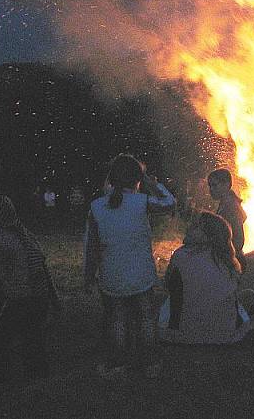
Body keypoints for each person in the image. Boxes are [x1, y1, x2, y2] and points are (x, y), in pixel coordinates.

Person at [83, 154, 175, 379]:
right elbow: (170, 202)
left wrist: (87, 277)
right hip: (141, 275)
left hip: (111, 276)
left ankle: (117, 365)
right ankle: (150, 363)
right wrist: (152, 182)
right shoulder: (142, 202)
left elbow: (91, 247)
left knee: (116, 320)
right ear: (138, 179)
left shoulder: (96, 207)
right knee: (145, 319)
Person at [0, 195, 59, 383]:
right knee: (31, 336)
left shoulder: (1, 241)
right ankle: (38, 374)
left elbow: (7, 276)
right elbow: (41, 267)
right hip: (38, 295)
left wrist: (2, 293)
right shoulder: (23, 235)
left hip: (22, 296)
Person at [162, 211, 252, 345]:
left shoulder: (180, 255)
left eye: (196, 226)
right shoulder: (229, 261)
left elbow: (168, 285)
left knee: (170, 301)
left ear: (207, 234)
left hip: (186, 335)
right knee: (248, 297)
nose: (189, 227)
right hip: (226, 336)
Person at [208, 168, 248, 271]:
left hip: (232, 263)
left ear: (226, 184)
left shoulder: (231, 207)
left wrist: (226, 257)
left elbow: (239, 240)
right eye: (210, 186)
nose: (211, 189)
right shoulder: (226, 204)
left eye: (214, 185)